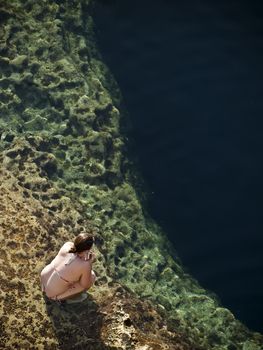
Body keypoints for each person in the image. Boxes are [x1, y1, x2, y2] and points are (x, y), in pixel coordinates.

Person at [40, 232, 96, 303]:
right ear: (87, 250)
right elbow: (85, 284)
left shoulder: (67, 245)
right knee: (92, 276)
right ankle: (64, 300)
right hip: (51, 293)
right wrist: (89, 263)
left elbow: (73, 257)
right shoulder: (85, 265)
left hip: (44, 278)